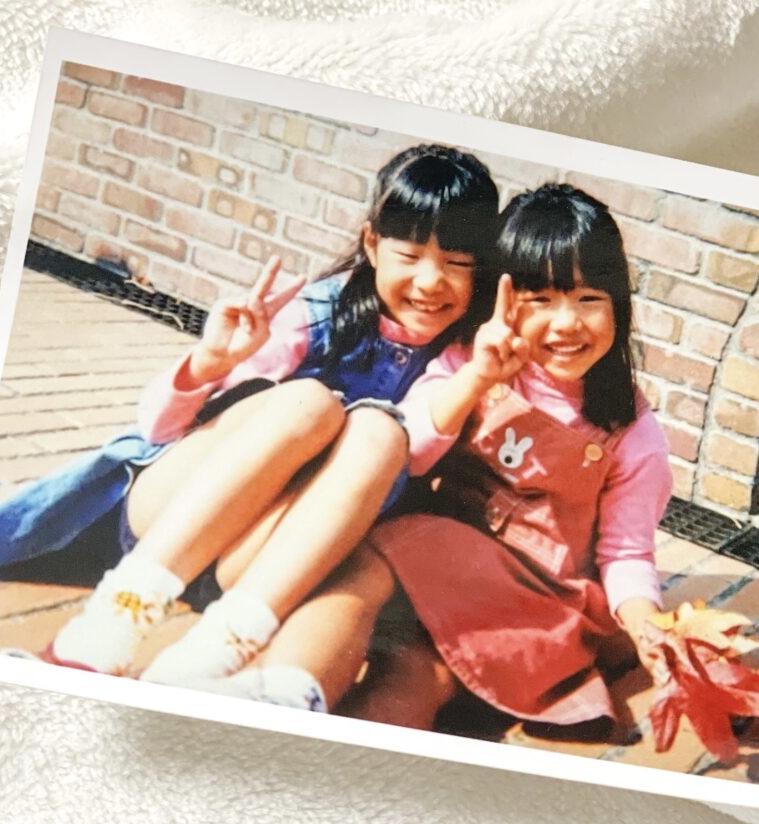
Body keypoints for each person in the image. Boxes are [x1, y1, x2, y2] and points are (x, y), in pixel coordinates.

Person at [0, 145, 500, 699]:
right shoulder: (313, 314)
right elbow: (158, 431)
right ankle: (101, 632)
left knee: (383, 434)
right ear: (371, 244)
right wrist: (211, 364)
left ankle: (214, 654)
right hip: (173, 516)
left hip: (255, 565)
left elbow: (416, 453)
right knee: (308, 403)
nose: (431, 281)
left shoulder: (460, 359)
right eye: (409, 255)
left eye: (457, 264)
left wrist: (475, 380)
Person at [196, 182, 672, 727]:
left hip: (535, 604)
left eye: (589, 300)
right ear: (503, 302)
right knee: (382, 619)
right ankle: (283, 696)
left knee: (419, 659)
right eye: (540, 300)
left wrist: (646, 625)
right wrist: (476, 380)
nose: (567, 322)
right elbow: (410, 454)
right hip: (431, 569)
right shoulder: (468, 363)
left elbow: (627, 551)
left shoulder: (632, 432)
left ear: (619, 306)